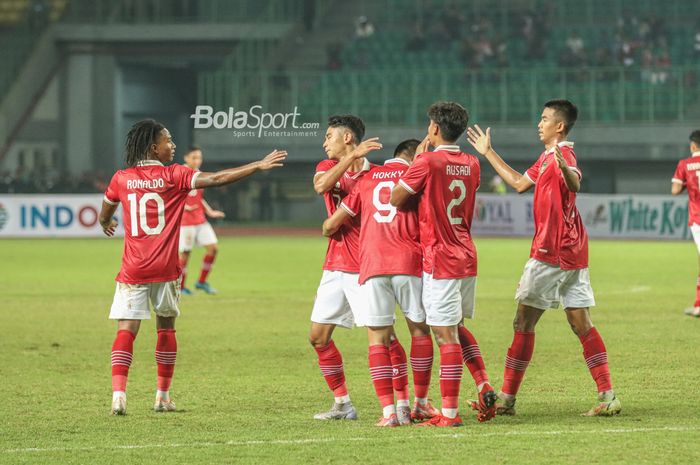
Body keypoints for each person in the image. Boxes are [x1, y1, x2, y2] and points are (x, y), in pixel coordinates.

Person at [99, 119, 286, 415]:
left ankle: (118, 395)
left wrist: (104, 221)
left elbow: (108, 206)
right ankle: (162, 396)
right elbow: (217, 179)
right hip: (165, 268)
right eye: (168, 140)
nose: (172, 145)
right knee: (166, 328)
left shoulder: (121, 177)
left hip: (133, 268)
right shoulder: (175, 175)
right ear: (153, 147)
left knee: (126, 329)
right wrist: (256, 165)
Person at [466, 99, 621, 417]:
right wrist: (488, 153)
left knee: (523, 322)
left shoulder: (565, 154)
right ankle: (608, 396)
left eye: (545, 119)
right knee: (581, 323)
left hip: (551, 252)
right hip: (574, 250)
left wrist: (566, 169)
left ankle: (507, 398)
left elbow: (574, 181)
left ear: (559, 126)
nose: (540, 123)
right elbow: (519, 184)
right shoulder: (547, 157)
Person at [391, 102, 497, 426]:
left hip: (440, 259)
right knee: (457, 327)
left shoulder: (426, 161)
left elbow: (396, 198)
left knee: (444, 336)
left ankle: (449, 413)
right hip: (466, 254)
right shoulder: (472, 163)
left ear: (435, 128)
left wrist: (418, 162)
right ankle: (483, 383)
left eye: (428, 125)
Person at [321, 139, 439, 427]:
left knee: (378, 338)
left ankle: (389, 413)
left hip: (372, 264)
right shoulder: (416, 176)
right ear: (415, 158)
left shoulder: (366, 179)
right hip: (408, 262)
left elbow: (329, 225)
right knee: (420, 331)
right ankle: (419, 404)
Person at [309, 115, 397, 421]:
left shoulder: (379, 176)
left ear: (348, 138)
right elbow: (322, 185)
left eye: (329, 136)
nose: (324, 143)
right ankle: (343, 404)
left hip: (366, 265)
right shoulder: (326, 167)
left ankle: (402, 403)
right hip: (335, 264)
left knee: (386, 337)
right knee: (318, 337)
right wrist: (351, 160)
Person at [178, 146, 225, 295]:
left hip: (200, 219)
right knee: (185, 253)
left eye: (199, 157)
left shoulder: (198, 174)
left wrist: (209, 210)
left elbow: (197, 197)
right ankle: (181, 287)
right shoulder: (179, 173)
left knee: (213, 248)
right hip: (185, 222)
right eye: (194, 157)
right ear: (186, 158)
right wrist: (183, 207)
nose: (197, 160)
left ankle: (201, 282)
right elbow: (170, 196)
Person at [672, 130, 700, 317]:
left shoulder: (685, 164)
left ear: (692, 145)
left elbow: (675, 190)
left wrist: (685, 185)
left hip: (698, 219)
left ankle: (698, 305)